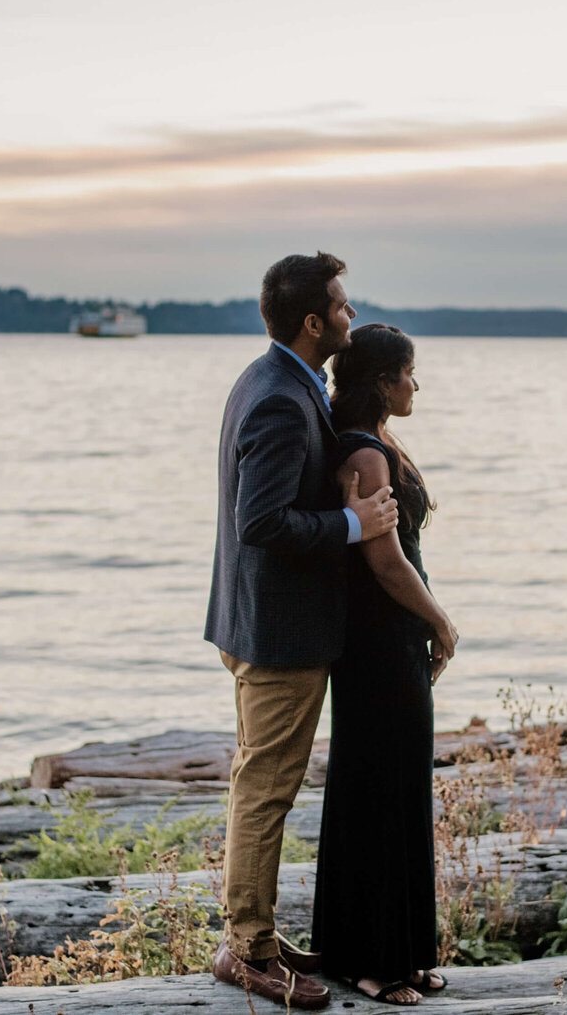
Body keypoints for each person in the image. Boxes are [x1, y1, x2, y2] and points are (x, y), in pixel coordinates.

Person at [205, 252, 399, 1010]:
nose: (353, 314)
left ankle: (254, 927)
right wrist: (353, 522)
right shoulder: (281, 399)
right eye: (344, 306)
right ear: (314, 320)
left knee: (263, 779)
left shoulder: (274, 379)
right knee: (266, 787)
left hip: (257, 617)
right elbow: (259, 522)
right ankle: (246, 949)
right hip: (278, 631)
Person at [311, 323, 459, 1006]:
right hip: (378, 639)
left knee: (401, 788)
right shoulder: (365, 455)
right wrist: (439, 619)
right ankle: (367, 962)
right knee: (376, 789)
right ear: (380, 381)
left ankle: (402, 952)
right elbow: (383, 558)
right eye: (407, 372)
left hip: (393, 634)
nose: (415, 383)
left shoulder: (378, 444)